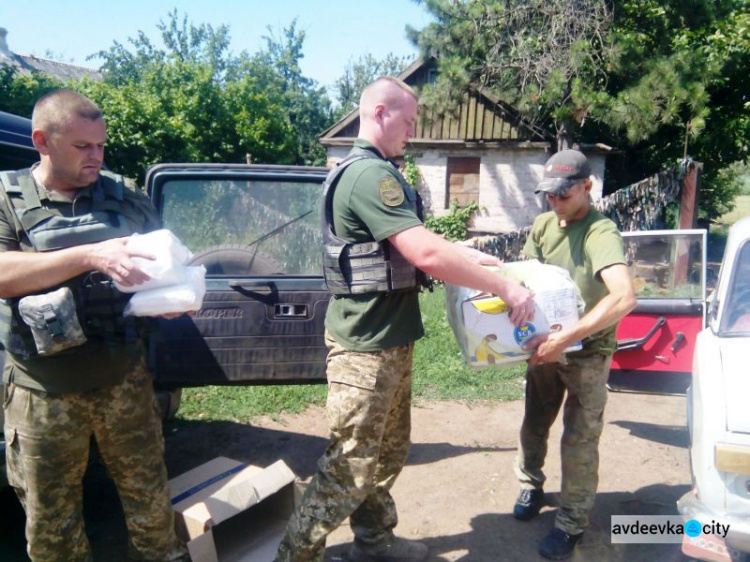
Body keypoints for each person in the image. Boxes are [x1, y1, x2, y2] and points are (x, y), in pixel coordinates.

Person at [276, 76, 535, 562]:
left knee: (387, 455)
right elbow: (423, 252)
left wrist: (471, 256)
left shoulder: (381, 171)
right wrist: (503, 287)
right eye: (409, 121)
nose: (412, 133)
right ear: (379, 113)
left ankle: (374, 542)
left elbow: (409, 239)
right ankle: (293, 556)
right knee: (349, 469)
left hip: (391, 341)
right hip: (365, 350)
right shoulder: (368, 175)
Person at [0, 90, 188, 562]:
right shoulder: (6, 197)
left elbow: (159, 263)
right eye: (83, 146)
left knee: (151, 509)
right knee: (52, 527)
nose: (97, 156)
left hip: (123, 383)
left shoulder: (125, 198)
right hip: (43, 391)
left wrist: (166, 299)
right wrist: (88, 254)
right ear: (42, 141)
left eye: (101, 146)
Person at [512, 149, 637, 560]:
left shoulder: (601, 233)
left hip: (587, 353)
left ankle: (571, 523)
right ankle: (530, 484)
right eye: (548, 195)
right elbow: (526, 278)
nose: (554, 203)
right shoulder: (544, 224)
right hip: (546, 348)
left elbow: (624, 296)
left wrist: (569, 338)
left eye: (563, 195)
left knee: (580, 439)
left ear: (587, 187)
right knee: (534, 422)